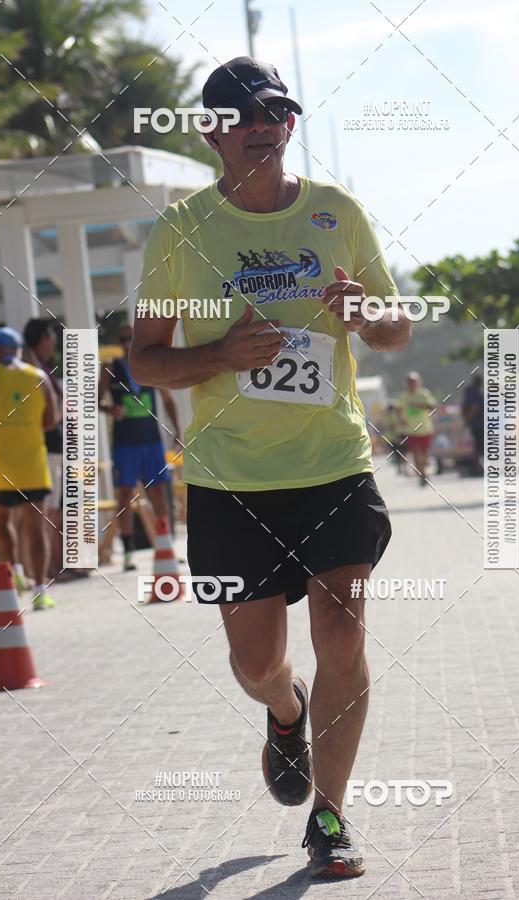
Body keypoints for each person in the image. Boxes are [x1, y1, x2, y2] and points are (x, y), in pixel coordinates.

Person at [129, 56, 411, 879]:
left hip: (332, 462)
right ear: (213, 129)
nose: (264, 123)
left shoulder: (336, 212)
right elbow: (144, 361)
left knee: (344, 633)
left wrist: (369, 315)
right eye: (244, 113)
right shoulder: (180, 228)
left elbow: (393, 325)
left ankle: (330, 814)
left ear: (290, 125)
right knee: (257, 664)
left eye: (277, 111)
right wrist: (218, 354)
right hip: (228, 479)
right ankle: (284, 713)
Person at [98, 323, 181, 571]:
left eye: (130, 338)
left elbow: (168, 399)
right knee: (125, 495)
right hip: (125, 443)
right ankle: (128, 552)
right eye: (122, 339)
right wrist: (110, 409)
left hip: (151, 441)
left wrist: (177, 431)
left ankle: (166, 545)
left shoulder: (150, 364)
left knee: (158, 493)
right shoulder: (111, 367)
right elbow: (95, 400)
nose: (126, 343)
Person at [0, 327, 58, 609]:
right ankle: (40, 590)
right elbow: (51, 421)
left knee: (1, 522)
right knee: (36, 528)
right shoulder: (39, 377)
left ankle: (16, 571)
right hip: (32, 463)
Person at [22, 318, 65, 581]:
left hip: (54, 450)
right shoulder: (33, 370)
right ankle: (44, 571)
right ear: (41, 338)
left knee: (52, 512)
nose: (55, 340)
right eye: (51, 334)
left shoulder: (43, 368)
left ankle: (53, 568)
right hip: (44, 450)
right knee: (44, 514)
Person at [398, 372, 436, 485]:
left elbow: (432, 407)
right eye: (409, 382)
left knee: (424, 454)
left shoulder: (424, 394)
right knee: (414, 453)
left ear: (418, 382)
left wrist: (418, 405)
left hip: (425, 429)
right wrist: (401, 420)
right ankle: (421, 474)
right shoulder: (403, 397)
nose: (411, 384)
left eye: (414, 382)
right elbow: (400, 411)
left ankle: (423, 471)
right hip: (411, 430)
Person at [462, 373, 485, 476]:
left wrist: (466, 419)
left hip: (475, 423)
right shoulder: (477, 392)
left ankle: (475, 466)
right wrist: (468, 418)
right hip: (479, 423)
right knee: (479, 446)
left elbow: (464, 405)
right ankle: (476, 467)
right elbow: (474, 407)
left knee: (477, 445)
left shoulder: (469, 391)